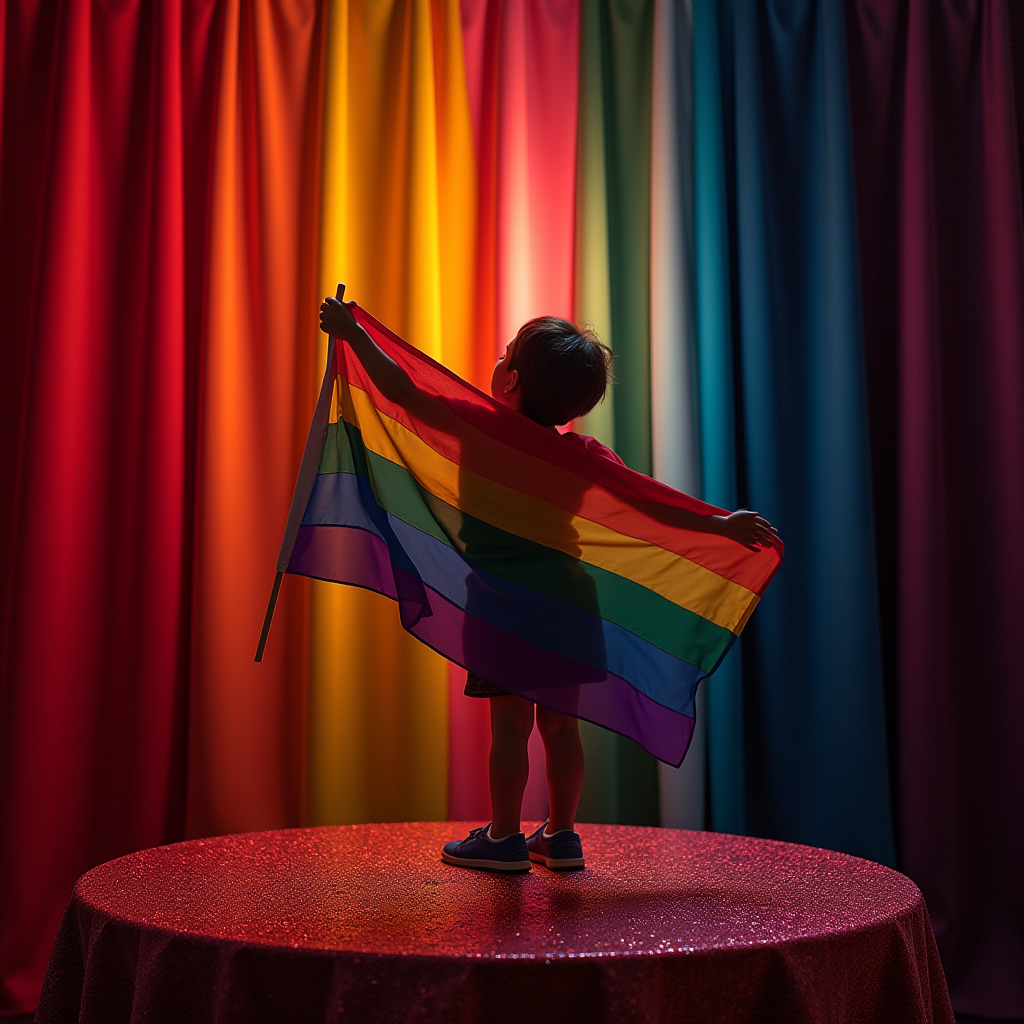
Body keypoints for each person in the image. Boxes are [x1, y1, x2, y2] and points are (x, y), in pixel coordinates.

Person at [319, 290, 778, 874]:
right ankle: (561, 836)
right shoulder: (582, 455)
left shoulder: (478, 427)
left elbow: (402, 391)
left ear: (509, 383)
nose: (499, 358)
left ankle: (504, 838)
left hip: (501, 604)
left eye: (506, 354)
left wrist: (354, 334)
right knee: (561, 728)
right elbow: (649, 502)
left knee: (509, 728)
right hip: (569, 604)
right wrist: (720, 522)